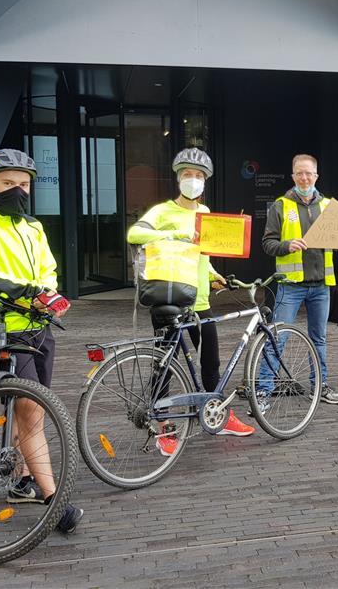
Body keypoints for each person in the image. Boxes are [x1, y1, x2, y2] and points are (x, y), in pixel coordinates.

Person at [0, 148, 83, 533]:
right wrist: (29, 293)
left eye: (24, 184)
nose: (18, 190)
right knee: (30, 409)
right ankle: (53, 500)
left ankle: (22, 480)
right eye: (9, 183)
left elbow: (49, 268)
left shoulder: (33, 228)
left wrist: (50, 295)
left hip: (38, 327)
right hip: (3, 327)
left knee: (36, 410)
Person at [127, 147, 255, 454]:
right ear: (178, 178)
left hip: (199, 299)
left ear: (205, 181)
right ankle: (165, 428)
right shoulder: (161, 212)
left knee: (210, 360)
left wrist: (212, 273)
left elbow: (203, 254)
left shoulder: (206, 213)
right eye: (187, 174)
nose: (193, 180)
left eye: (198, 176)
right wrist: (172, 236)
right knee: (164, 366)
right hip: (168, 298)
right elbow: (134, 234)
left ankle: (218, 414)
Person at [258, 153, 338, 409]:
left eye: (309, 173)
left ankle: (319, 387)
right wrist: (286, 246)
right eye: (299, 173)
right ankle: (262, 392)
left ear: (316, 176)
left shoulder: (329, 207)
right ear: (293, 176)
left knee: (318, 339)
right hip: (290, 285)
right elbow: (267, 243)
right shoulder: (280, 206)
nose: (304, 177)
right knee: (277, 338)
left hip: (321, 285)